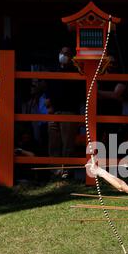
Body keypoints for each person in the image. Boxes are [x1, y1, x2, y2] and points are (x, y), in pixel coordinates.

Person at [46, 47, 84, 176]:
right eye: (61, 52)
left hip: (69, 111)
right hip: (54, 112)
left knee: (68, 143)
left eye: (67, 53)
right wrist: (49, 103)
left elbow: (79, 94)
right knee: (53, 142)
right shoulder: (54, 71)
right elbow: (49, 89)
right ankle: (55, 171)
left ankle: (66, 172)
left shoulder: (76, 72)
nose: (63, 55)